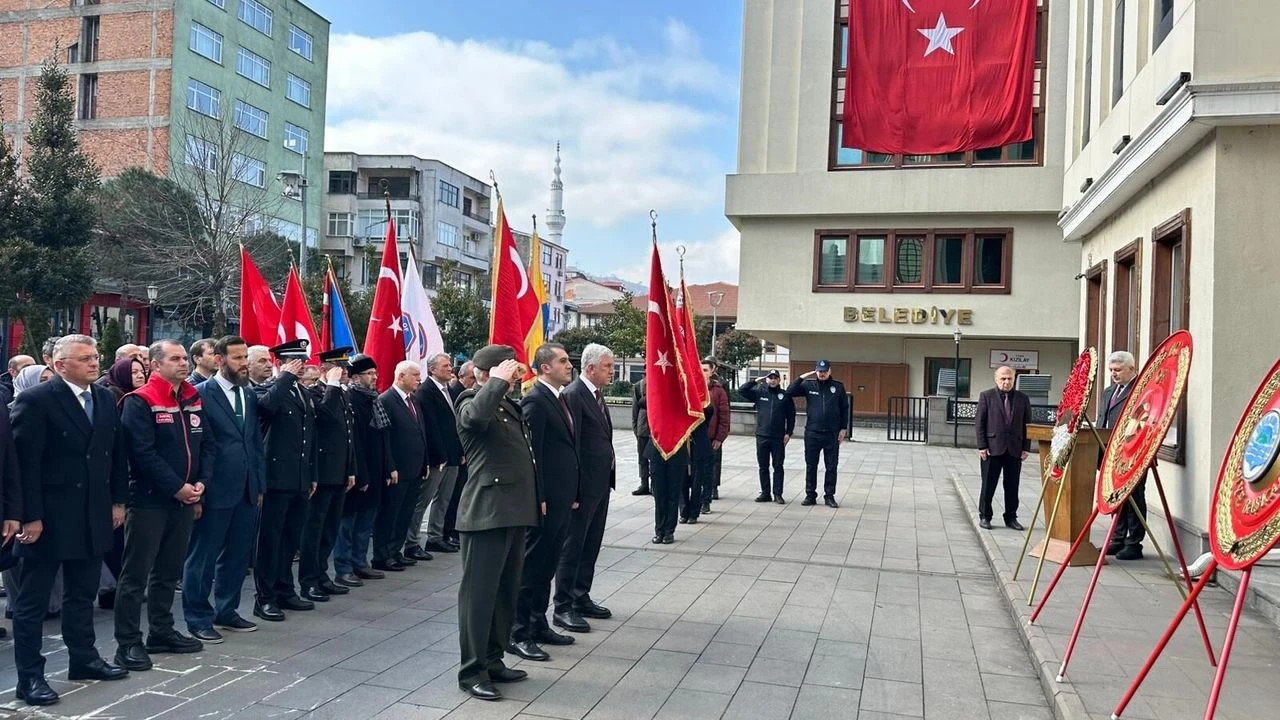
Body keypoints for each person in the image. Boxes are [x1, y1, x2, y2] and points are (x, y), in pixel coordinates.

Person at [11, 335, 130, 706]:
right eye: (85, 358)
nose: (94, 363)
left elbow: (115, 453)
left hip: (93, 511)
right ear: (60, 365)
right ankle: (30, 677)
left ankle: (84, 658)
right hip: (49, 515)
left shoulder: (104, 398)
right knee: (32, 602)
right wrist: (30, 516)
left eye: (96, 356)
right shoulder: (37, 400)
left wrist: (118, 501)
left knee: (82, 593)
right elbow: (24, 464)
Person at [113, 340, 213, 671]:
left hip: (185, 500)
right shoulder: (140, 400)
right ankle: (128, 642)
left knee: (169, 571)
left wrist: (201, 483)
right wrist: (176, 487)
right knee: (136, 574)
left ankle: (161, 630)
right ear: (156, 365)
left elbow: (207, 444)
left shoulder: (193, 397)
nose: (184, 363)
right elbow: (141, 453)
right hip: (149, 500)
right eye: (175, 359)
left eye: (185, 358)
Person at [454, 345, 536, 701]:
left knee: (505, 591)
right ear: (487, 374)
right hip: (485, 512)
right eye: (509, 371)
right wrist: (495, 383)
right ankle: (472, 671)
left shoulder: (508, 405)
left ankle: (492, 659)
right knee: (479, 596)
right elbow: (474, 420)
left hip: (514, 509)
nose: (515, 377)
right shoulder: (471, 400)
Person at [183, 336, 264, 643]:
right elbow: (197, 445)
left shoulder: (248, 394)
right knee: (202, 558)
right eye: (237, 358)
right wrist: (199, 490)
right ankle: (197, 618)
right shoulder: (201, 394)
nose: (244, 364)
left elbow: (254, 442)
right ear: (219, 360)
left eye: (245, 357)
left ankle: (226, 610)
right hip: (214, 490)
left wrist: (258, 484)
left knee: (237, 556)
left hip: (246, 489)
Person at [509, 343, 578, 663]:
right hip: (545, 501)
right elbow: (531, 456)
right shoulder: (535, 401)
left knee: (548, 565)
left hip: (562, 498)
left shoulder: (559, 397)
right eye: (563, 361)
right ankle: (518, 632)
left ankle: (538, 623)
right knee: (531, 568)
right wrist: (539, 498)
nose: (569, 365)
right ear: (545, 368)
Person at [252, 340, 317, 622]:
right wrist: (285, 378)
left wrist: (312, 473)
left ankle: (285, 589)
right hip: (276, 477)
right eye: (295, 362)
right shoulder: (267, 388)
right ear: (281, 363)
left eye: (303, 362)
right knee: (270, 540)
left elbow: (309, 437)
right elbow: (266, 409)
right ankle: (265, 597)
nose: (301, 366)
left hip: (299, 476)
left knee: (291, 538)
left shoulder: (302, 392)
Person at [555, 343, 615, 634]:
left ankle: (581, 596)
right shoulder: (574, 395)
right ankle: (563, 606)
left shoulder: (597, 395)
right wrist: (575, 490)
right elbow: (573, 444)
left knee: (591, 543)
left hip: (600, 484)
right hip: (583, 486)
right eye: (607, 367)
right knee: (573, 546)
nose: (612, 372)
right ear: (590, 368)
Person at [298, 350, 358, 602]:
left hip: (340, 471)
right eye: (339, 368)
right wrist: (331, 385)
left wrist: (351, 469)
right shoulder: (316, 392)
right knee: (315, 529)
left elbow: (348, 436)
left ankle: (322, 575)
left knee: (330, 528)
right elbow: (324, 418)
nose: (344, 372)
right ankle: (309, 580)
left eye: (345, 368)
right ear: (324, 369)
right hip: (322, 472)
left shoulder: (340, 393)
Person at [333, 354, 395, 586]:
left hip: (376, 469)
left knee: (365, 522)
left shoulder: (374, 399)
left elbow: (383, 437)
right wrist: (360, 474)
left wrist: (388, 467)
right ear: (356, 377)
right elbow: (354, 442)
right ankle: (344, 567)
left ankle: (360, 563)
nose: (374, 377)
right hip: (358, 471)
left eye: (375, 373)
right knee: (347, 524)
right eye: (369, 374)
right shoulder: (350, 399)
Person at [373, 360, 430, 571]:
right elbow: (386, 438)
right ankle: (382, 555)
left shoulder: (412, 400)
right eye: (415, 375)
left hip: (415, 468)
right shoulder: (386, 400)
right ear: (401, 376)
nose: (419, 379)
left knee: (405, 513)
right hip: (397, 469)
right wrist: (390, 466)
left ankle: (396, 551)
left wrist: (425, 462)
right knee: (389, 514)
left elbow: (420, 432)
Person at [413, 353, 463, 555]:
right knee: (423, 500)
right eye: (445, 365)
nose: (450, 368)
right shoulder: (426, 391)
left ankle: (435, 537)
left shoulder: (448, 390)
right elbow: (431, 427)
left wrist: (459, 451)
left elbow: (454, 424)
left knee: (444, 499)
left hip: (452, 455)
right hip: (438, 458)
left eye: (450, 365)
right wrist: (439, 455)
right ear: (432, 369)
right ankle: (411, 541)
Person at [1099, 350, 1144, 559]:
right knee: (1115, 497)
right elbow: (1103, 420)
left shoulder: (1141, 390)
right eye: (1111, 370)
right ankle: (1117, 539)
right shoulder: (1109, 391)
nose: (1113, 374)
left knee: (1134, 497)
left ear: (1131, 369)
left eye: (1118, 370)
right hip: (1111, 453)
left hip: (1133, 453)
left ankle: (1134, 543)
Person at [787, 360, 850, 508]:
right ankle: (810, 495)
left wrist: (843, 428)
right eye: (820, 371)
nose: (822, 373)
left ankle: (829, 496)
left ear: (829, 371)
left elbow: (844, 408)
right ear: (816, 371)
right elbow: (790, 391)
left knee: (831, 466)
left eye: (825, 371)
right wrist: (801, 377)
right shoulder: (808, 385)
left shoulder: (838, 387)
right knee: (811, 465)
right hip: (812, 433)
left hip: (832, 433)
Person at [975, 366, 1031, 531]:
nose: (1006, 382)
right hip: (992, 448)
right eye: (1003, 378)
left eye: (1009, 378)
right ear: (996, 379)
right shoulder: (986, 396)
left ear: (1014, 379)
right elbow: (980, 422)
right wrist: (982, 446)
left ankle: (1011, 517)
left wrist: (1026, 446)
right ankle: (985, 516)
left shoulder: (1023, 398)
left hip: (1015, 448)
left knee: (1012, 485)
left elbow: (1027, 424)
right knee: (988, 484)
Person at [740, 370, 796, 504]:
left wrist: (788, 433)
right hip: (762, 435)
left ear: (779, 380)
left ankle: (778, 494)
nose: (773, 380)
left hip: (778, 437)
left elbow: (791, 416)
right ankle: (765, 493)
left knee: (778, 466)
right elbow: (742, 390)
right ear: (767, 380)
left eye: (775, 378)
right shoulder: (760, 393)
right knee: (763, 466)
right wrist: (754, 381)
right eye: (770, 378)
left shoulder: (785, 396)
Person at [443, 359, 475, 545]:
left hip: (463, 454)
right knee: (453, 495)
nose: (474, 381)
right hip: (456, 454)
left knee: (460, 493)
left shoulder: (465, 392)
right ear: (461, 376)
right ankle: (448, 531)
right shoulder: (457, 393)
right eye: (471, 377)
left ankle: (453, 530)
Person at [701, 360, 731, 509]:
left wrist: (719, 438)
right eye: (700, 370)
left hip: (711, 437)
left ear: (712, 372)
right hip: (695, 437)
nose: (703, 373)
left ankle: (706, 501)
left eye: (706, 370)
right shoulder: (693, 388)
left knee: (708, 471)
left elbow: (724, 416)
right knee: (695, 472)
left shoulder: (719, 391)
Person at [630, 378, 651, 496]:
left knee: (655, 460)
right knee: (642, 459)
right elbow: (635, 409)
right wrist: (636, 428)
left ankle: (655, 484)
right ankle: (644, 483)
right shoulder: (639, 385)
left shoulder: (660, 382)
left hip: (656, 429)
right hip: (643, 428)